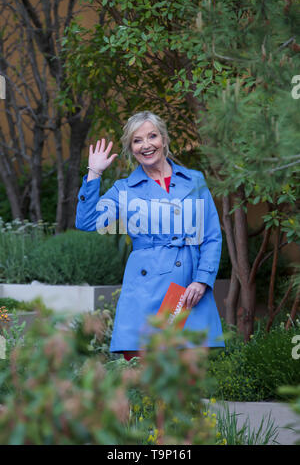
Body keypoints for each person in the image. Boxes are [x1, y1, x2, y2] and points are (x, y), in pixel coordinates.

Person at [75, 111, 225, 360]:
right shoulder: (124, 189)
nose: (146, 145)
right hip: (146, 289)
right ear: (131, 149)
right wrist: (94, 174)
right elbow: (88, 222)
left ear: (164, 139)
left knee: (187, 371)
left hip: (187, 285)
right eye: (137, 140)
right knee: (148, 369)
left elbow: (211, 236)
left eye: (152, 136)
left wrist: (202, 279)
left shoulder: (194, 181)